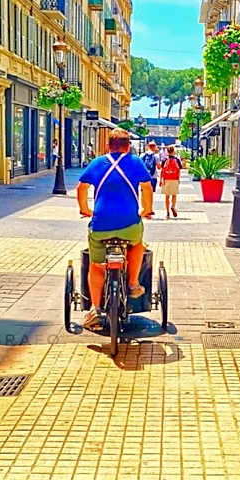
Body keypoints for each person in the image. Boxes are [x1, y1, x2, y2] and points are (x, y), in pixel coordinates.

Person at [76, 128, 154, 331]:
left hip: (101, 224)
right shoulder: (136, 162)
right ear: (128, 147)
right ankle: (134, 284)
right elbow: (146, 187)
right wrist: (146, 209)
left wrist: (85, 209)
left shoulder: (97, 163)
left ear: (108, 146)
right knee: (138, 245)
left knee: (96, 265)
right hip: (129, 223)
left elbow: (82, 188)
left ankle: (94, 308)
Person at [159, 143, 182, 219]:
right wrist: (178, 179)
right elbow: (179, 170)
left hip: (166, 179)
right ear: (173, 151)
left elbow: (162, 170)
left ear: (167, 151)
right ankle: (173, 206)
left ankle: (167, 212)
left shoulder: (164, 160)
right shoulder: (177, 160)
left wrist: (160, 180)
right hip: (174, 179)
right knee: (174, 194)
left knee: (167, 196)